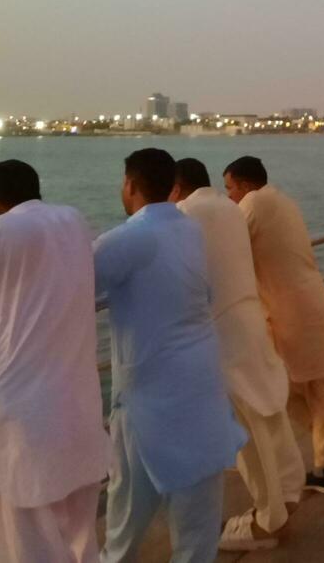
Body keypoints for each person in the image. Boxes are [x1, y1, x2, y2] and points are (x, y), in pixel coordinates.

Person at [0, 160, 109, 563]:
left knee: (24, 547)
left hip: (21, 424)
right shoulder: (73, 222)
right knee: (80, 540)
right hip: (78, 412)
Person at [95, 148, 244, 563]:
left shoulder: (128, 238)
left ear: (130, 185)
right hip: (202, 391)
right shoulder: (189, 230)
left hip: (149, 403)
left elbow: (71, 285)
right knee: (197, 533)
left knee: (123, 528)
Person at [172, 158, 303, 554]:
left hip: (223, 333)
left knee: (245, 429)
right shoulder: (229, 208)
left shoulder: (184, 215)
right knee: (268, 412)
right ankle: (288, 490)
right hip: (249, 320)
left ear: (175, 187)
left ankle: (267, 520)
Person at [223, 156, 324, 496]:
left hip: (294, 310)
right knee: (306, 388)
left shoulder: (254, 202)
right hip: (305, 303)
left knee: (304, 388)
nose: (229, 197)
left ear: (247, 185)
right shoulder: (283, 201)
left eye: (230, 188)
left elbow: (227, 245)